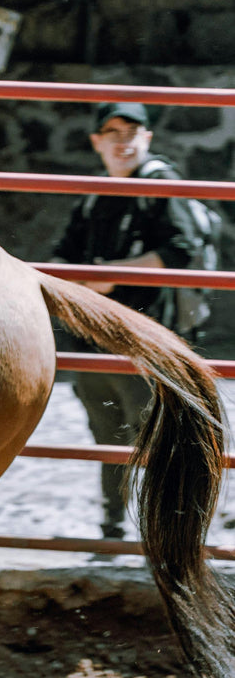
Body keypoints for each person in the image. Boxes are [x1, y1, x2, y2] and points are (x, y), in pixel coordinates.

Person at [50, 101, 203, 540]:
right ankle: (114, 525)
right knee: (107, 429)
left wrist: (111, 276)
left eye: (131, 131)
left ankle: (171, 529)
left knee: (157, 432)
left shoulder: (160, 184)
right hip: (96, 335)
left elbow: (181, 248)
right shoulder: (97, 192)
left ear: (147, 138)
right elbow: (66, 249)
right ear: (96, 142)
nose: (122, 141)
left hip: (148, 335)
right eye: (111, 132)